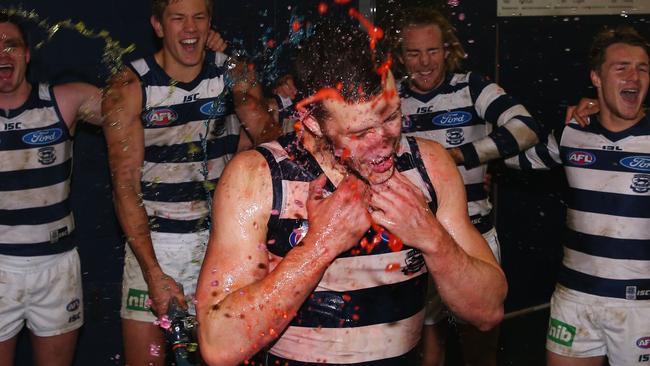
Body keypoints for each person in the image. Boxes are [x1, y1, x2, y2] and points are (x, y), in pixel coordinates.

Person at [195, 20, 507, 366]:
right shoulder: (259, 177)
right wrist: (320, 247)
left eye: (391, 118)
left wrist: (433, 237)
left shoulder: (428, 165)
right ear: (312, 121)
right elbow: (219, 345)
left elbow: (488, 311)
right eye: (360, 133)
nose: (383, 146)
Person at [101, 0, 280, 364]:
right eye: (178, 18)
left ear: (210, 23)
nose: (190, 28)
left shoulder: (233, 73)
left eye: (199, 17)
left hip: (220, 241)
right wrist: (153, 273)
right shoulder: (129, 85)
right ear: (157, 25)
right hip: (153, 244)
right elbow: (124, 187)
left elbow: (269, 141)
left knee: (225, 357)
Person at [391, 7, 544, 365]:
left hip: (472, 235)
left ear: (447, 49)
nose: (425, 62)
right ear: (400, 57)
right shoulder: (392, 98)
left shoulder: (473, 86)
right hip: (415, 242)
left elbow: (526, 128)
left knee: (480, 344)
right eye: (414, 53)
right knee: (427, 351)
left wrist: (458, 157)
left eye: (433, 51)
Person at [505, 26, 650, 366]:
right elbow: (517, 160)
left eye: (643, 68)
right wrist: (474, 167)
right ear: (596, 78)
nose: (634, 76)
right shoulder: (572, 131)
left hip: (640, 305)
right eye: (622, 67)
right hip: (575, 298)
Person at [0, 14, 104, 366]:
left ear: (27, 54)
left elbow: (139, 110)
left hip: (56, 265)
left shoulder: (65, 101)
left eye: (10, 44)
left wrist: (221, 59)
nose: (2, 53)